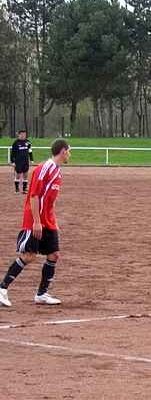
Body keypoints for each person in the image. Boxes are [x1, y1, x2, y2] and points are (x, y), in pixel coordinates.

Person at [0, 139, 71, 308]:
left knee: (53, 255)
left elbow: (50, 200)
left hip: (48, 220)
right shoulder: (45, 168)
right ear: (62, 151)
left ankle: (42, 294)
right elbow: (34, 195)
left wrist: (52, 220)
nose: (70, 154)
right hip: (35, 219)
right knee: (29, 255)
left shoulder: (58, 172)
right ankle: (2, 289)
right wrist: (37, 222)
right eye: (69, 151)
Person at [10, 129, 33, 194]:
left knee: (25, 175)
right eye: (22, 134)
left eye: (24, 134)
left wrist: (31, 160)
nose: (23, 135)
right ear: (19, 135)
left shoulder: (28, 142)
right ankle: (17, 189)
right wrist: (12, 162)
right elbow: (12, 153)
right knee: (18, 175)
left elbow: (30, 151)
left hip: (26, 161)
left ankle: (24, 189)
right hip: (18, 162)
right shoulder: (16, 142)